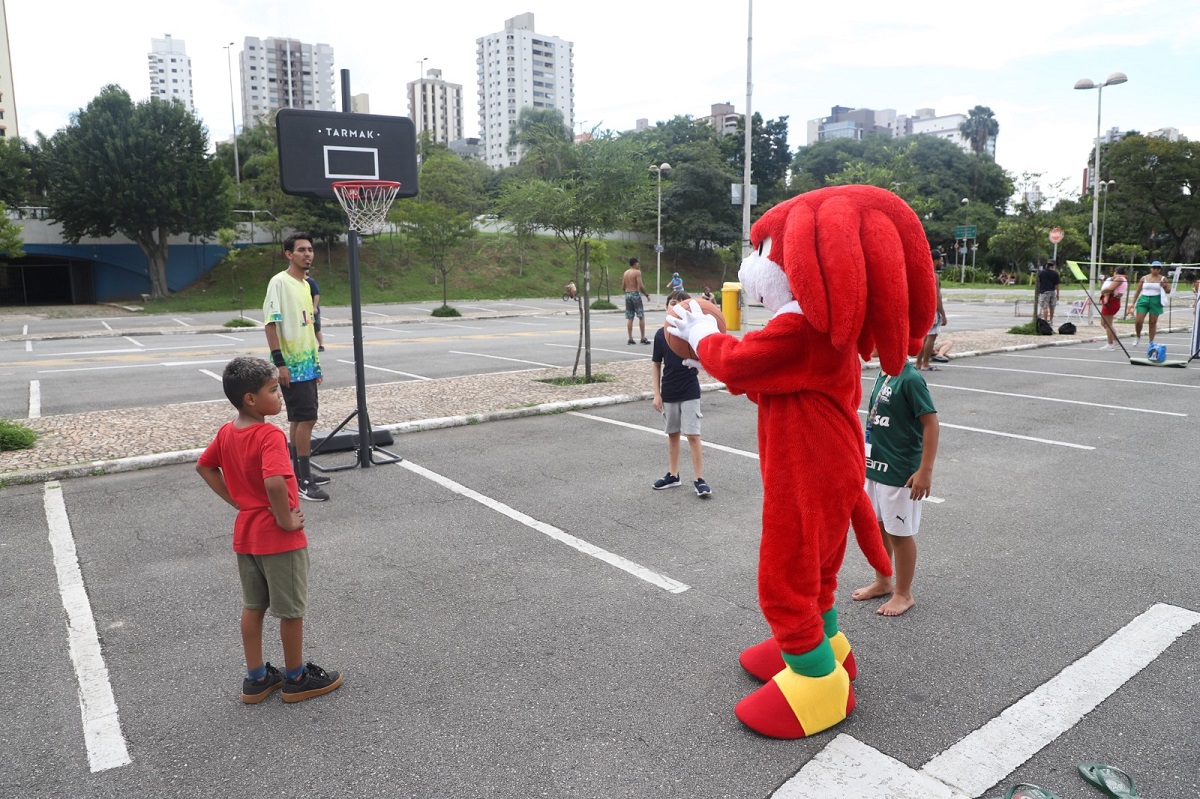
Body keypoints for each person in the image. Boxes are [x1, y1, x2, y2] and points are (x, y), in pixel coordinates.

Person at [196, 356, 344, 704]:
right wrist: (285, 520)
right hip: (278, 537)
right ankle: (295, 678)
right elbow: (275, 482)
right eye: (273, 390)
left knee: (253, 606)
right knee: (291, 610)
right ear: (251, 398)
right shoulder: (268, 434)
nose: (279, 396)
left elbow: (204, 467)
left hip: (246, 533)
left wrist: (236, 501)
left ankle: (257, 677)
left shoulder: (227, 432)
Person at [852, 359, 940, 616]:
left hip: (901, 471)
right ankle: (883, 581)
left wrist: (925, 470)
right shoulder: (885, 372)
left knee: (899, 534)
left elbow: (931, 423)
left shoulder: (910, 378)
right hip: (876, 466)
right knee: (879, 526)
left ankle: (904, 593)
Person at [264, 234, 329, 502]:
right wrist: (280, 364)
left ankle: (297, 471)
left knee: (298, 419)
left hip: (307, 364)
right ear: (288, 254)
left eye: (310, 250)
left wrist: (316, 365)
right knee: (308, 419)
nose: (308, 254)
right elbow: (270, 324)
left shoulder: (306, 285)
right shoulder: (279, 282)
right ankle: (304, 480)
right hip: (291, 364)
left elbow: (308, 327)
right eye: (301, 250)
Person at [651, 291, 711, 498]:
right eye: (672, 303)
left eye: (681, 304)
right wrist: (656, 394)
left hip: (689, 390)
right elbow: (656, 364)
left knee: (693, 435)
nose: (676, 307)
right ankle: (673, 475)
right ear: (667, 308)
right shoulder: (661, 334)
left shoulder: (693, 333)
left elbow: (705, 354)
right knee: (673, 434)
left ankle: (699, 479)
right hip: (669, 390)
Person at [915, 249, 946, 371]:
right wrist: (943, 314)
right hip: (933, 309)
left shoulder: (922, 274)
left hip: (924, 308)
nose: (942, 262)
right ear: (935, 260)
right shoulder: (934, 276)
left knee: (924, 336)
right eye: (941, 260)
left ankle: (918, 362)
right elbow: (937, 296)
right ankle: (925, 363)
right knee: (931, 337)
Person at [1128, 261, 1172, 347]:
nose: (1155, 270)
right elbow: (1138, 291)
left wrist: (1164, 286)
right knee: (1139, 320)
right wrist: (1132, 303)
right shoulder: (1144, 278)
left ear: (1160, 270)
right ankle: (1137, 336)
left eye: (1158, 268)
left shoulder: (1163, 278)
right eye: (1154, 268)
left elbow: (1168, 291)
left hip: (1155, 300)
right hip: (1144, 299)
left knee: (1152, 322)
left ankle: (1151, 341)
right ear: (1151, 268)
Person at [1097, 266, 1129, 350]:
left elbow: (1110, 288)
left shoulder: (1120, 279)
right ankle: (1114, 340)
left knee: (1107, 324)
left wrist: (1103, 291)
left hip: (1112, 301)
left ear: (1116, 272)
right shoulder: (1122, 279)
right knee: (1104, 323)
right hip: (1112, 300)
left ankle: (1110, 344)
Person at [622, 257, 652, 345]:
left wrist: (628, 291)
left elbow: (623, 286)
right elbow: (640, 285)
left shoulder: (625, 273)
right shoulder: (637, 272)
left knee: (630, 317)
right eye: (637, 263)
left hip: (627, 295)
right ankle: (643, 337)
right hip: (635, 294)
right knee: (641, 316)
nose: (638, 264)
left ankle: (630, 338)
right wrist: (646, 294)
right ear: (635, 264)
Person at [304, 267, 325, 353]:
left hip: (312, 310)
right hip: (304, 310)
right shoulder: (299, 282)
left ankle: (321, 344)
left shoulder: (310, 281)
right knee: (306, 328)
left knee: (316, 328)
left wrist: (314, 307)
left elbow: (316, 294)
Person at [1036, 260, 1061, 325]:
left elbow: (1039, 282)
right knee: (1052, 307)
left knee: (1045, 307)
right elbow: (1057, 285)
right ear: (1053, 266)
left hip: (1044, 292)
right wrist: (1058, 293)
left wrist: (1038, 290)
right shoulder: (1055, 274)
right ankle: (1051, 320)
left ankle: (1045, 321)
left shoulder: (1042, 273)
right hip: (1052, 291)